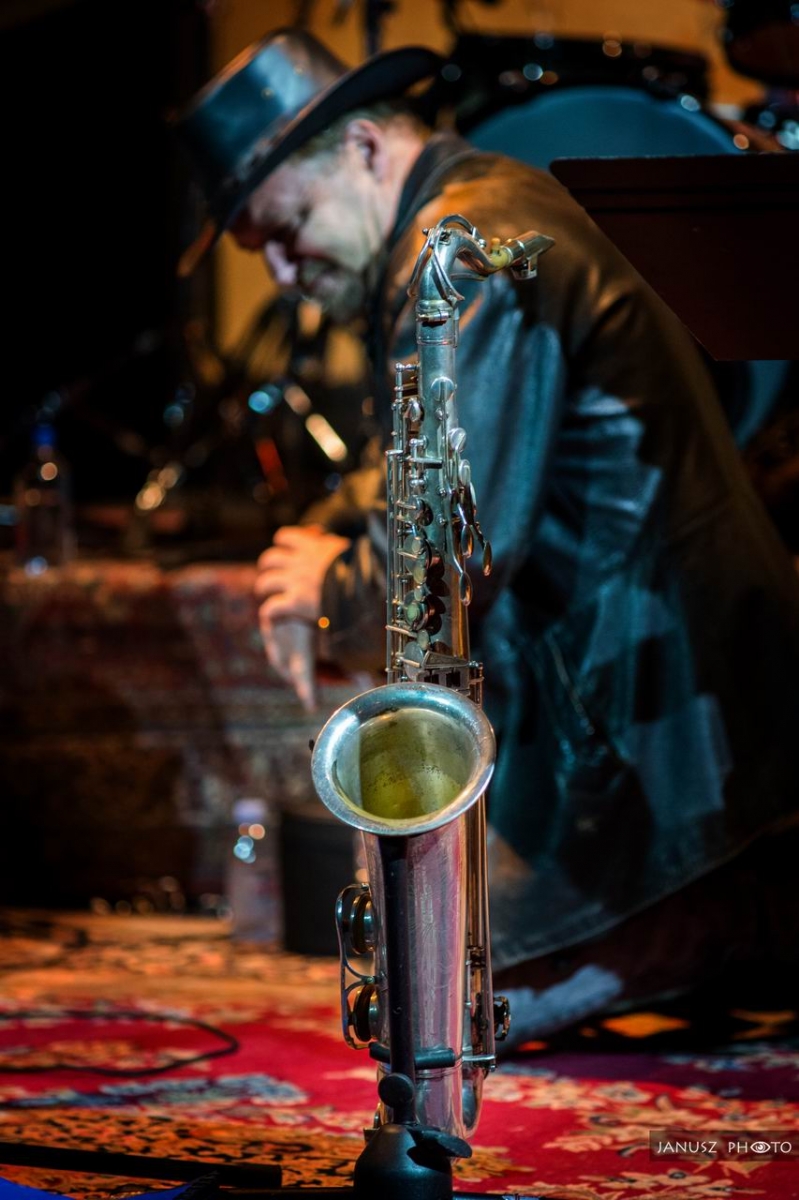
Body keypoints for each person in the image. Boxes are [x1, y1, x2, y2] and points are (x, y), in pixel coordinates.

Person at [175, 29, 799, 1043]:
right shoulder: (460, 215)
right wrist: (319, 540)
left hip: (654, 724)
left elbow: (442, 569)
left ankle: (735, 912)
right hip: (622, 691)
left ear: (364, 147)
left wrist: (327, 592)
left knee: (435, 1016)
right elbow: (404, 467)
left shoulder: (461, 254)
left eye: (287, 229)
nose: (282, 273)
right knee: (419, 977)